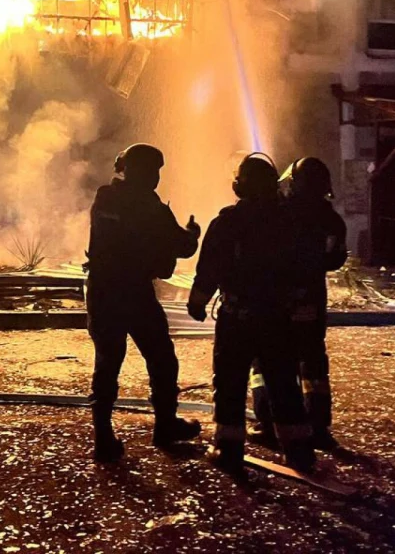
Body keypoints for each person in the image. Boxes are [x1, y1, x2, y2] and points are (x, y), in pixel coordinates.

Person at [186, 153, 316, 473]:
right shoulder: (290, 223)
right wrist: (301, 306)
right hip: (278, 318)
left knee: (230, 383)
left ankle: (229, 449)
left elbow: (209, 270)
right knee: (284, 384)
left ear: (238, 185)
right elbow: (305, 269)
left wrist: (197, 302)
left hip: (237, 317)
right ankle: (298, 451)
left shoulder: (226, 223)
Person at [85, 143, 202, 463]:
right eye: (152, 170)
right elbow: (181, 245)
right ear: (137, 170)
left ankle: (104, 436)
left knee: (108, 364)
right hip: (132, 291)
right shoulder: (149, 205)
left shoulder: (105, 197)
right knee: (161, 358)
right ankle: (164, 426)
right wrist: (192, 234)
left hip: (104, 291)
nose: (155, 177)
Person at [251, 157, 348, 449]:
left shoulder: (277, 214)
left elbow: (262, 256)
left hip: (277, 298)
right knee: (314, 363)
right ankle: (318, 427)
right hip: (312, 299)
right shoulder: (330, 218)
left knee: (268, 361)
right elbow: (336, 259)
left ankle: (267, 423)